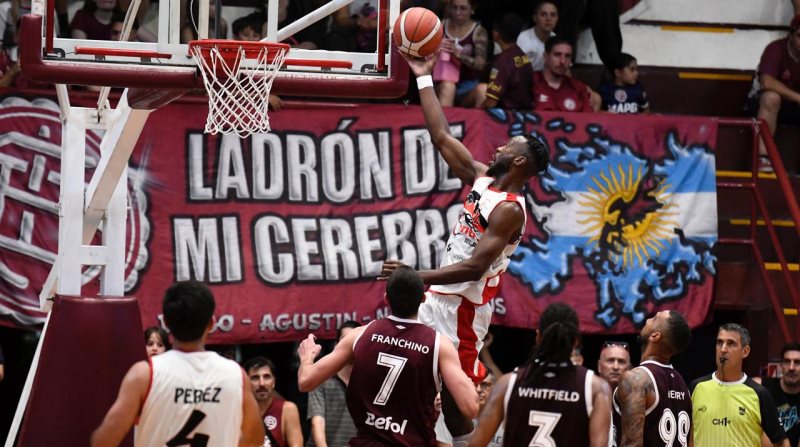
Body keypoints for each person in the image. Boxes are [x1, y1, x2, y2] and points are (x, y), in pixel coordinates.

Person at [381, 49, 550, 445]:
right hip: (436, 298)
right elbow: (441, 137)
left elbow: (474, 269)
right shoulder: (483, 180)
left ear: (521, 162)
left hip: (464, 311)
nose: (501, 147)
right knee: (407, 375)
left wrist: (413, 275)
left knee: (458, 401)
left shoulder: (510, 211)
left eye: (510, 145)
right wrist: (423, 76)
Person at [297, 266, 479, 446]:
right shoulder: (440, 345)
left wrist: (307, 358)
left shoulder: (360, 334)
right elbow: (470, 408)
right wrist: (469, 382)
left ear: (386, 299)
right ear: (423, 299)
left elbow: (306, 382)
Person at [90, 281, 264, 447]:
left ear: (165, 322)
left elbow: (103, 442)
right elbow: (254, 440)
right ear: (211, 324)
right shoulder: (236, 375)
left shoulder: (144, 374)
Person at [468, 302, 611, 447]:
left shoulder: (508, 383)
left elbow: (476, 444)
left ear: (538, 337)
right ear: (576, 341)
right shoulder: (595, 388)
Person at [690, 323, 787, 447]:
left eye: (731, 344)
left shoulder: (759, 393)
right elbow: (689, 437)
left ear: (745, 351)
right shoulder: (697, 387)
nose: (723, 349)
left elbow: (781, 441)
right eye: (720, 342)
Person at [615, 310, 692, 447]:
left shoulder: (636, 379)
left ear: (655, 336)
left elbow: (632, 444)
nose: (647, 319)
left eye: (655, 318)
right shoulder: (684, 387)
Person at [746, 14, 800, 172]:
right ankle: (762, 158)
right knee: (771, 97)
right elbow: (766, 82)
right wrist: (798, 97)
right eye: (799, 36)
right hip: (760, 105)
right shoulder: (775, 49)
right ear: (790, 35)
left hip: (794, 107)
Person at [306, 321, 361, 447]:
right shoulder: (322, 377)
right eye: (346, 340)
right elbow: (317, 422)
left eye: (356, 340)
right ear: (337, 345)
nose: (351, 345)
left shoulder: (368, 380)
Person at [434, 0, 488, 107]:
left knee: (483, 89)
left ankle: (479, 123)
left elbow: (481, 64)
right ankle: (443, 123)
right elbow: (422, 55)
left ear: (472, 10)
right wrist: (435, 48)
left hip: (468, 86)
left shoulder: (479, 32)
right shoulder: (440, 25)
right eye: (454, 8)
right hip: (442, 82)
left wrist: (458, 55)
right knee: (449, 86)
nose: (458, 12)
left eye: (463, 8)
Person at [244, 356, 303, 447]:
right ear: (246, 382)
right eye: (255, 378)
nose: (262, 384)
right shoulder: (238, 411)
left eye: (267, 377)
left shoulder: (287, 409)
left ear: (274, 382)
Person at [479, 13, 533, 110]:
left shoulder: (502, 62)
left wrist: (474, 114)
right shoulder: (523, 56)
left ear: (496, 34)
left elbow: (491, 102)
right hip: (526, 114)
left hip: (507, 116)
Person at [533, 36, 594, 112]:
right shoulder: (531, 83)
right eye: (557, 55)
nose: (562, 61)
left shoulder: (578, 88)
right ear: (545, 56)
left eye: (567, 56)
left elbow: (588, 120)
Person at [757, 342, 800, 447]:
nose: (791, 367)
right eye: (786, 361)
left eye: (797, 362)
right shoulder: (764, 387)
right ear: (780, 366)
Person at [516, 0, 558, 71]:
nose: (548, 19)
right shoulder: (523, 39)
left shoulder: (555, 38)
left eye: (552, 15)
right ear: (535, 18)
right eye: (544, 14)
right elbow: (516, 70)